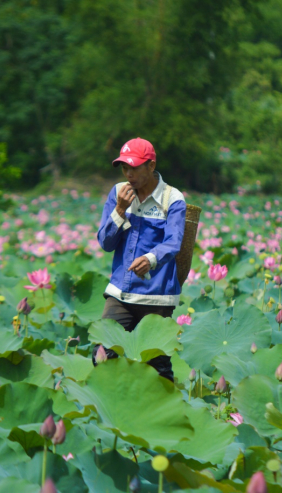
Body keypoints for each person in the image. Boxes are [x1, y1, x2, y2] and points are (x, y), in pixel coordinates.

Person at [94, 138, 186, 381]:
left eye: (134, 167)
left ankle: (165, 413)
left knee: (158, 369)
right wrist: (120, 210)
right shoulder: (118, 193)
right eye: (125, 168)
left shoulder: (172, 199)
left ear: (151, 165)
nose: (128, 174)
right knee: (102, 355)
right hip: (120, 293)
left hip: (156, 296)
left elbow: (173, 242)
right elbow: (105, 243)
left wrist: (150, 258)